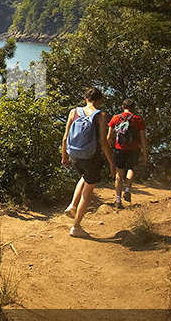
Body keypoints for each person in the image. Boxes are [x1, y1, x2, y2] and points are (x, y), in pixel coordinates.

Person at [61, 87, 114, 238]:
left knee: (84, 177)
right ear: (99, 100)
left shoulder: (74, 112)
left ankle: (72, 205)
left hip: (74, 155)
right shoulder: (101, 115)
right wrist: (111, 163)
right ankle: (76, 226)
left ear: (86, 98)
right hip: (91, 156)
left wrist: (64, 156)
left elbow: (65, 138)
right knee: (88, 190)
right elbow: (103, 142)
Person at [107, 99, 148, 208]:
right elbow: (143, 138)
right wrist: (144, 152)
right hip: (134, 149)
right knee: (131, 169)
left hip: (119, 149)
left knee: (119, 175)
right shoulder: (138, 119)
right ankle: (127, 189)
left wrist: (111, 147)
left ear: (122, 107)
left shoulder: (115, 118)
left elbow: (108, 137)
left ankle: (118, 200)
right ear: (134, 107)